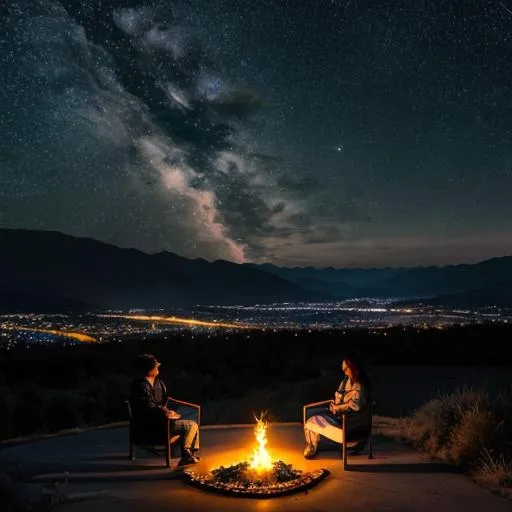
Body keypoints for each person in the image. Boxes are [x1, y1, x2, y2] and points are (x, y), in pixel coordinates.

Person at [129, 353, 200, 465]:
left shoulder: (158, 384)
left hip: (161, 422)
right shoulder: (141, 387)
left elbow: (164, 401)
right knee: (191, 425)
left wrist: (170, 411)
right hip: (152, 427)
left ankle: (188, 453)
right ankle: (186, 453)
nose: (158, 367)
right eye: (156, 365)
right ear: (149, 369)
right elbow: (148, 406)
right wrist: (166, 412)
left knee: (190, 416)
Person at [303, 349, 370, 459]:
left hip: (350, 423)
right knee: (311, 412)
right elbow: (339, 395)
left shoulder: (361, 385)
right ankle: (312, 443)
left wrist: (338, 407)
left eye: (346, 369)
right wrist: (335, 404)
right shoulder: (346, 380)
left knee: (312, 421)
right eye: (343, 369)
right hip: (341, 415)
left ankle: (313, 446)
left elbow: (356, 405)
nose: (345, 372)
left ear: (353, 367)